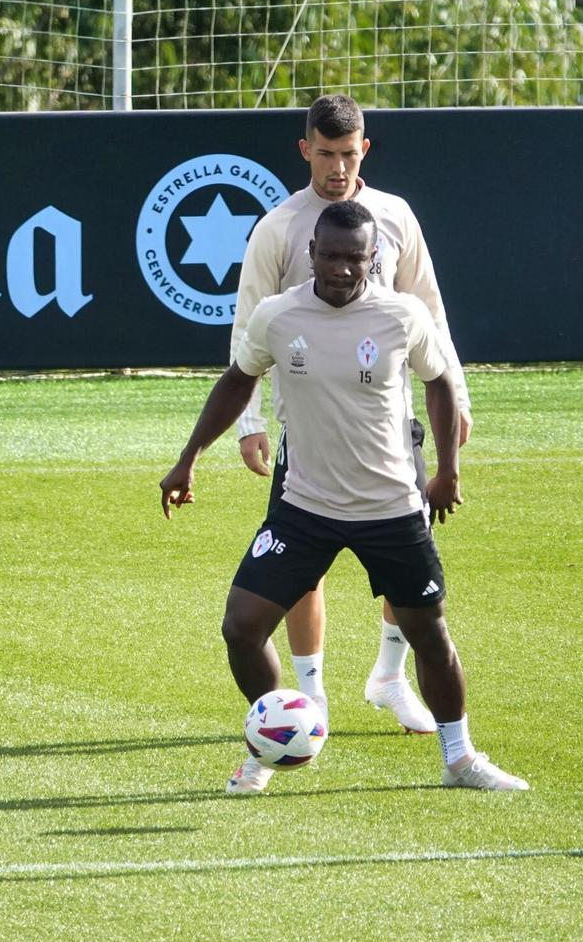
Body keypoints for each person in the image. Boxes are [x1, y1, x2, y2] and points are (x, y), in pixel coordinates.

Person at [161, 201, 526, 795]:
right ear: (312, 254)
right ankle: (271, 743)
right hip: (305, 507)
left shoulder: (401, 315)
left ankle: (459, 759)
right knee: (241, 628)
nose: (340, 267)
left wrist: (447, 472)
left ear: (372, 258)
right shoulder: (278, 316)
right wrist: (188, 459)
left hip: (391, 508)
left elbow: (438, 383)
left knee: (430, 635)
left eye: (354, 257)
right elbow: (237, 379)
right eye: (329, 255)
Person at [231, 94, 472, 734]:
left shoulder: (395, 217)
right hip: (307, 423)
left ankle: (389, 678)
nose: (337, 167)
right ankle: (311, 697)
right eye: (326, 153)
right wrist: (249, 423)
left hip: (393, 420)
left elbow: (427, 306)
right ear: (305, 149)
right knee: (301, 561)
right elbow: (248, 328)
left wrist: (459, 391)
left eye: (349, 153)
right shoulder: (279, 227)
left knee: (409, 553)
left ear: (364, 149)